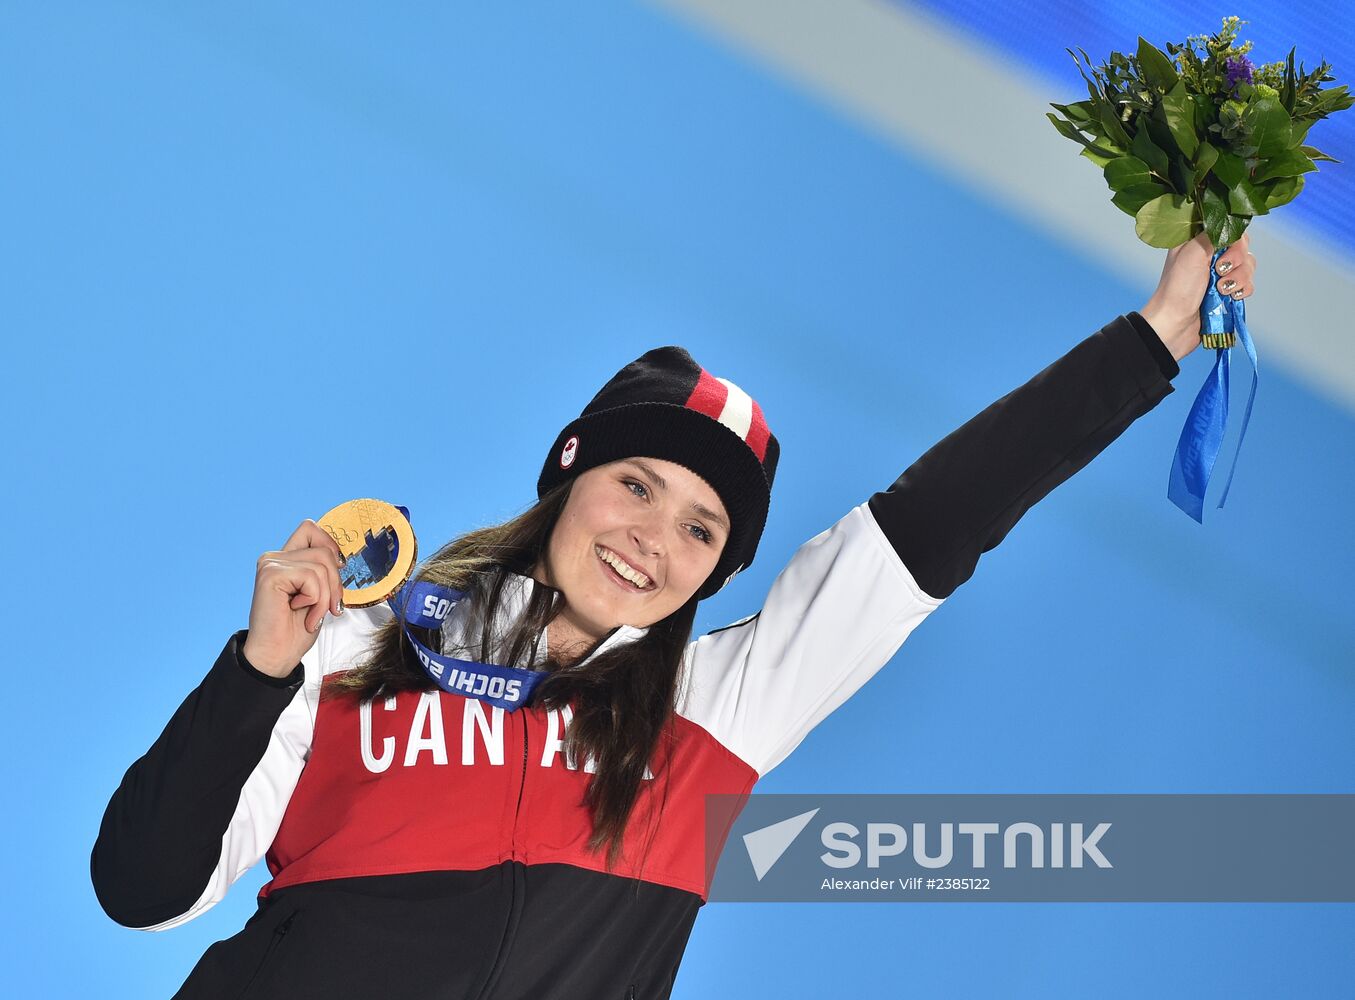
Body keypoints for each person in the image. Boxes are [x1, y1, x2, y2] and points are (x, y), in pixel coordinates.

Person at [92, 233, 1256, 999]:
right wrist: (256, 671)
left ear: (714, 571)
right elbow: (143, 891)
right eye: (635, 484)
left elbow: (937, 517)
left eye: (702, 527)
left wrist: (1153, 333)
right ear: (567, 479)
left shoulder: (716, 710)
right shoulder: (366, 643)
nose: (654, 537)